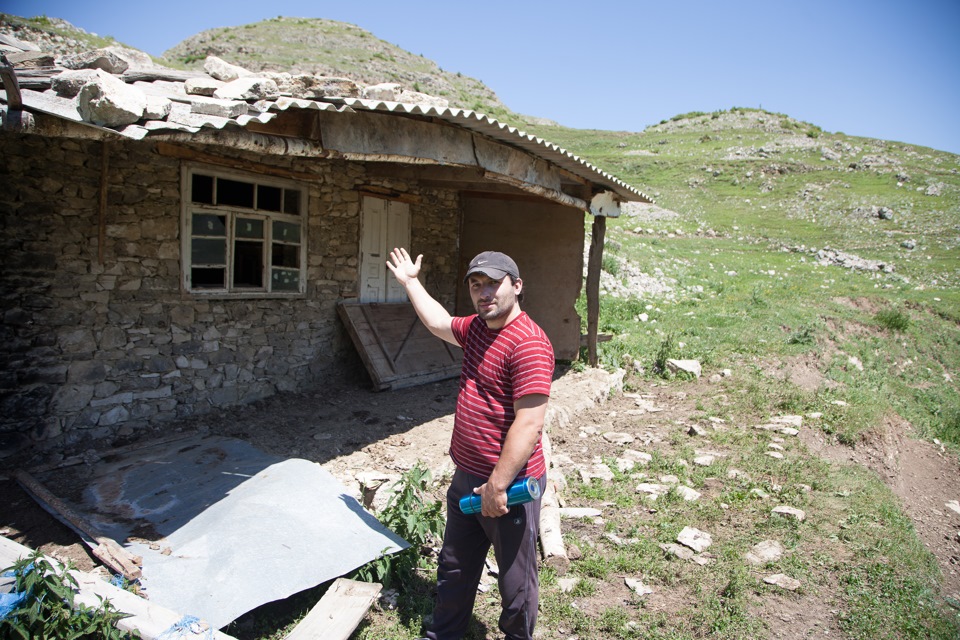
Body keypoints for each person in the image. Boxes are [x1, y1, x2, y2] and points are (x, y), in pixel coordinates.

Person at [386, 247, 554, 640]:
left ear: (516, 286)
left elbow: (529, 424)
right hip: (467, 479)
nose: (485, 293)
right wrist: (411, 283)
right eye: (477, 285)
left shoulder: (528, 343)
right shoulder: (479, 327)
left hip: (508, 487)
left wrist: (498, 485)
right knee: (455, 569)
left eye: (494, 284)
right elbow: (439, 322)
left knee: (516, 586)